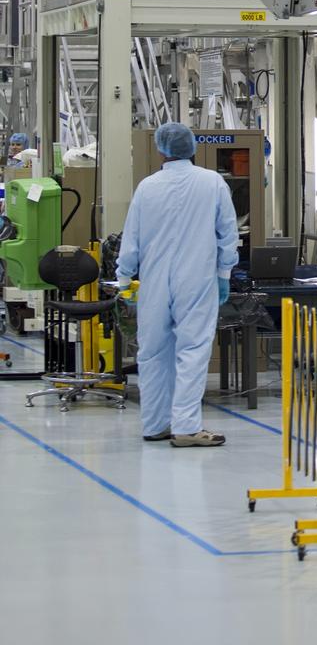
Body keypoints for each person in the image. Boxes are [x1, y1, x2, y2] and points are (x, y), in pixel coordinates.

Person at [116, 122, 238, 447]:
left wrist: (125, 279)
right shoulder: (212, 183)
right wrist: (224, 275)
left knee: (153, 352)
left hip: (154, 282)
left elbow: (132, 239)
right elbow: (229, 234)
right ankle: (185, 426)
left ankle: (156, 424)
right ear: (193, 148)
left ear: (160, 150)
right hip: (197, 279)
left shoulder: (147, 187)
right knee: (193, 350)